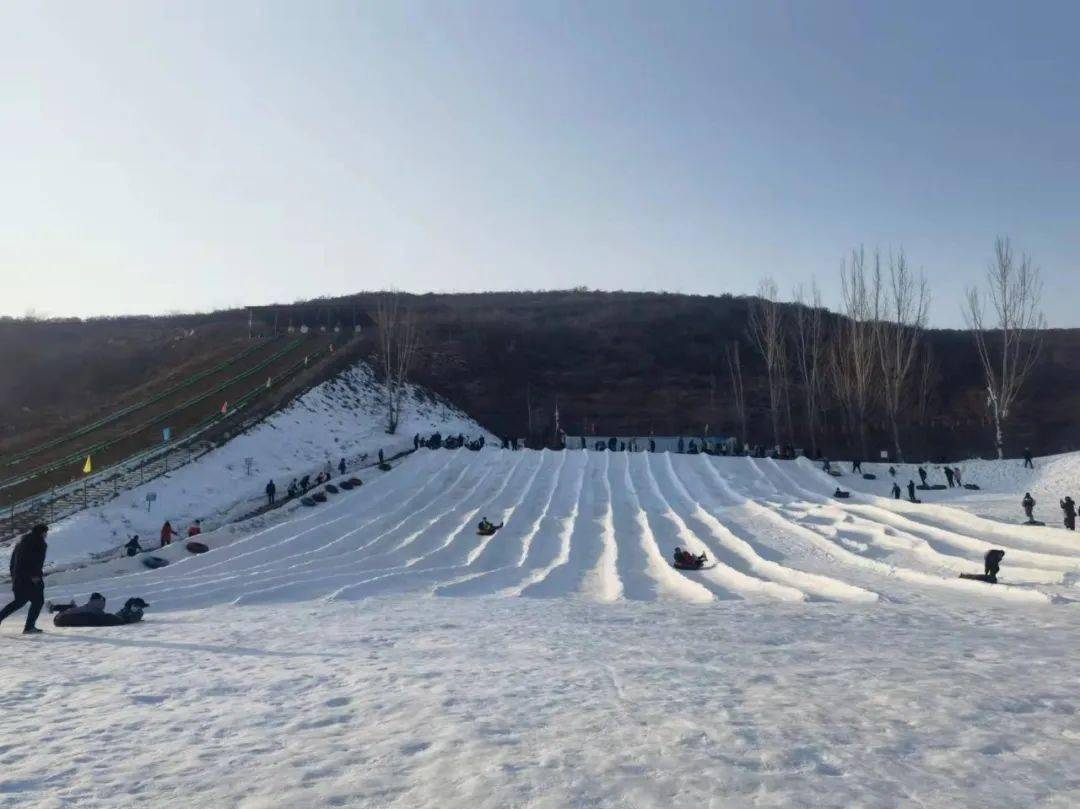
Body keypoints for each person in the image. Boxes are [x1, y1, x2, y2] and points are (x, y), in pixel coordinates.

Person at [0, 524, 48, 634]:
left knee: (19, 602)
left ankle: (29, 626)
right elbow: (34, 562)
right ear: (41, 533)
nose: (46, 535)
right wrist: (34, 576)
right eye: (45, 532)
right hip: (31, 578)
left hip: (19, 578)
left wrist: (14, 576)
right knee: (38, 601)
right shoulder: (38, 543)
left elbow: (13, 562)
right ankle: (29, 627)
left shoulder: (21, 542)